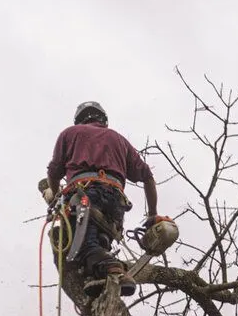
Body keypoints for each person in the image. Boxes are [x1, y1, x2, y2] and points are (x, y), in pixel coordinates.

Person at [44, 101, 159, 297]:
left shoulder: (70, 133)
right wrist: (153, 215)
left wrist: (56, 197)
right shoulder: (119, 140)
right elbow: (148, 177)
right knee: (100, 244)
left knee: (83, 248)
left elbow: (54, 173)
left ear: (79, 120)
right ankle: (102, 278)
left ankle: (113, 267)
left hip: (85, 195)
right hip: (116, 202)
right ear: (103, 119)